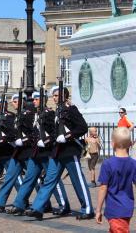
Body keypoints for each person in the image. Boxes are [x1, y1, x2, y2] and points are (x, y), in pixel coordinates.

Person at [26, 86, 94, 221]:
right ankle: (38, 208)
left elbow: (82, 127)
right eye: (54, 96)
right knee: (49, 180)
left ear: (65, 96)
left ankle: (87, 209)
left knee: (77, 181)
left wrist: (68, 136)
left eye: (57, 96)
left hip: (69, 149)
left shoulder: (71, 109)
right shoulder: (57, 111)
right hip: (57, 151)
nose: (54, 98)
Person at [6, 92, 70, 216]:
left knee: (52, 180)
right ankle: (19, 204)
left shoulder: (49, 113)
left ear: (43, 100)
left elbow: (55, 133)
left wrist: (45, 141)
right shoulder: (35, 115)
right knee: (29, 179)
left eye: (36, 99)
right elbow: (32, 133)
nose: (34, 101)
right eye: (33, 99)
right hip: (35, 152)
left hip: (47, 151)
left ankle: (63, 205)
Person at [95, 127, 136, 233]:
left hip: (114, 208)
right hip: (127, 207)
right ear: (130, 144)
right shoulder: (133, 164)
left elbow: (103, 188)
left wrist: (98, 210)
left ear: (112, 144)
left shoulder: (107, 164)